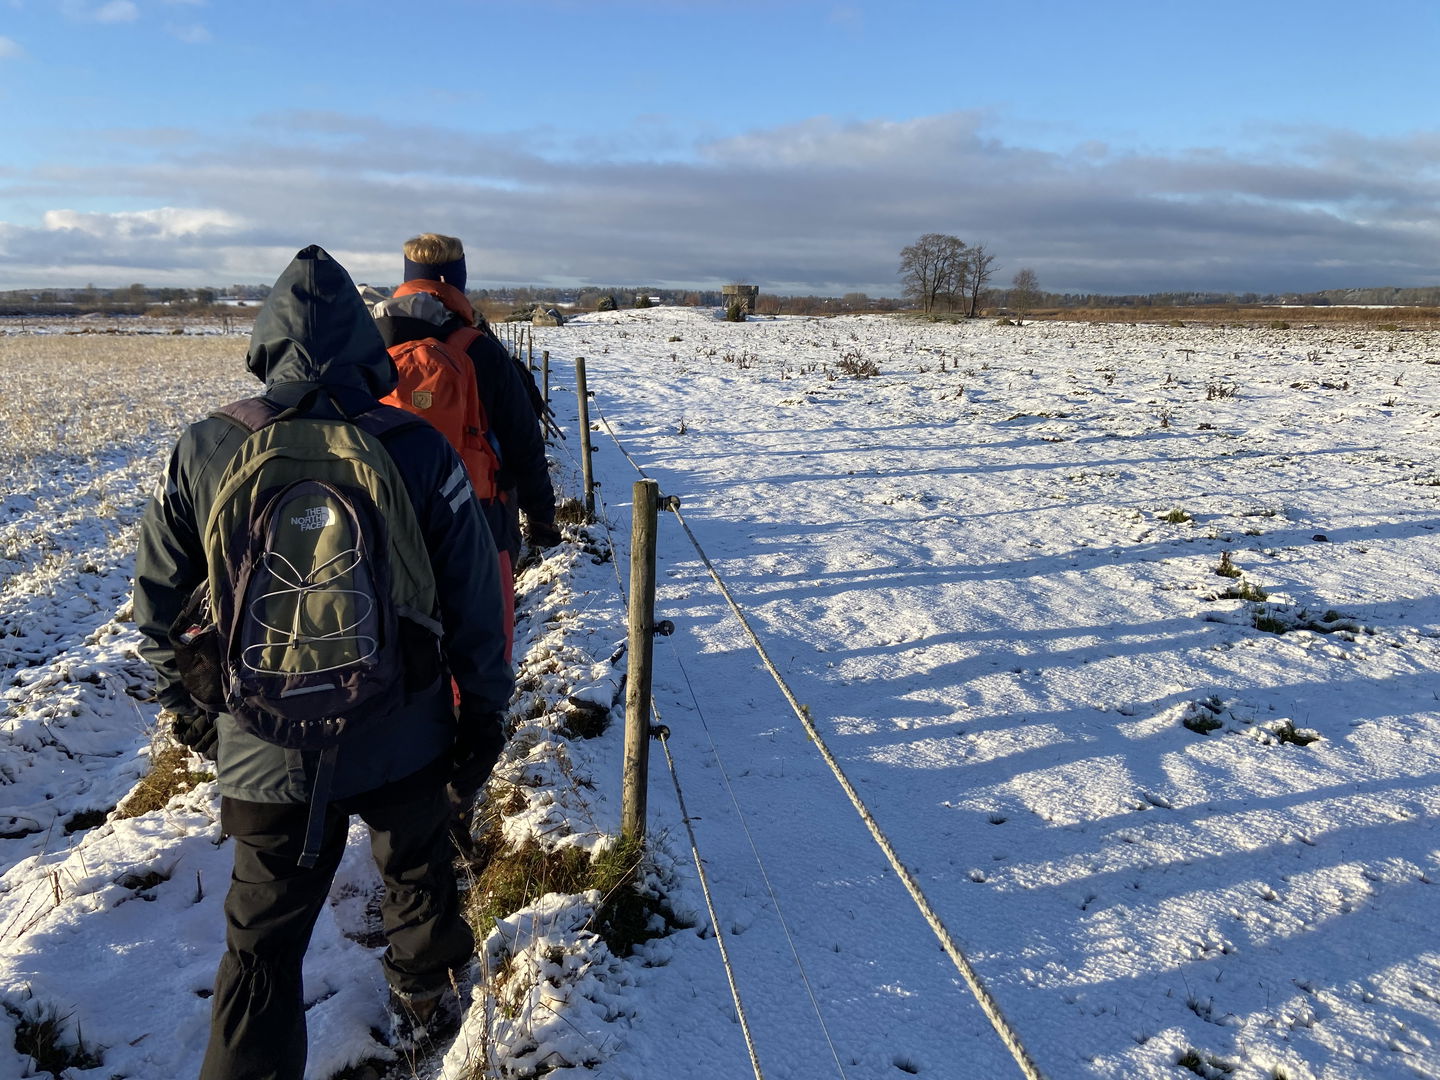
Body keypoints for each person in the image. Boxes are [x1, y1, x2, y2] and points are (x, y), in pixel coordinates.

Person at [132, 245, 514, 1079]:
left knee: (261, 942)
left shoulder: (206, 447)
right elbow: (473, 596)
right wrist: (483, 710)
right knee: (417, 873)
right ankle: (427, 1004)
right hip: (403, 726)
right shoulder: (413, 446)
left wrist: (196, 711)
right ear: (367, 348)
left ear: (267, 343)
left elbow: (157, 602)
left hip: (265, 745)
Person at [372, 233, 561, 568]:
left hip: (384, 513)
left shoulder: (367, 345)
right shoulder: (478, 350)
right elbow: (523, 440)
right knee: (486, 617)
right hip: (478, 516)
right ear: (456, 281)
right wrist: (541, 518)